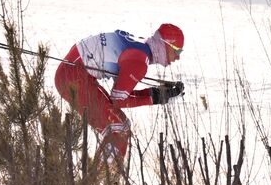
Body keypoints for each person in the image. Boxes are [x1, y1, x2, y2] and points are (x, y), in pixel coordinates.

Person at [53, 24, 185, 162]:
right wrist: (157, 97)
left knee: (120, 127)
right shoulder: (139, 60)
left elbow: (120, 94)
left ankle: (100, 179)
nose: (177, 57)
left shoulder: (141, 47)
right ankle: (99, 181)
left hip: (75, 73)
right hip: (72, 78)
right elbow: (118, 100)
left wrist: (157, 95)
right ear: (165, 45)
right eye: (178, 51)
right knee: (118, 129)